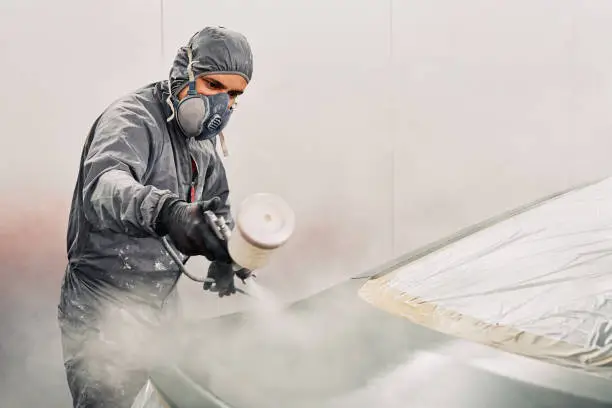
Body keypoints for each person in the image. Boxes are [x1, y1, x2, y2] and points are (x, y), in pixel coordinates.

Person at [57, 26, 254, 408]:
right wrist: (169, 212)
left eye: (233, 95)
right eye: (213, 85)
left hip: (162, 304)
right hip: (104, 306)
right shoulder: (131, 119)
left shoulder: (200, 139)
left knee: (170, 398)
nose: (222, 106)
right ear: (184, 74)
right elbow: (105, 187)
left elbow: (215, 201)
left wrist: (224, 248)